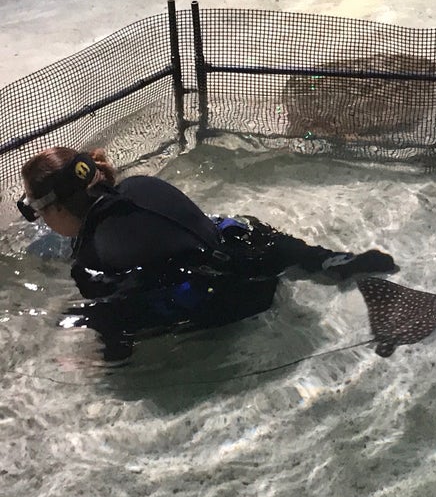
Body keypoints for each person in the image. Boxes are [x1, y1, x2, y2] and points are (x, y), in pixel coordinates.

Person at [18, 147, 396, 358]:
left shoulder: (91, 258)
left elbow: (118, 320)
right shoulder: (142, 185)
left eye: (36, 212)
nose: (42, 221)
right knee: (238, 232)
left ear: (57, 210)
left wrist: (108, 354)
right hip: (256, 255)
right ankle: (330, 261)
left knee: (83, 315)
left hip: (232, 303)